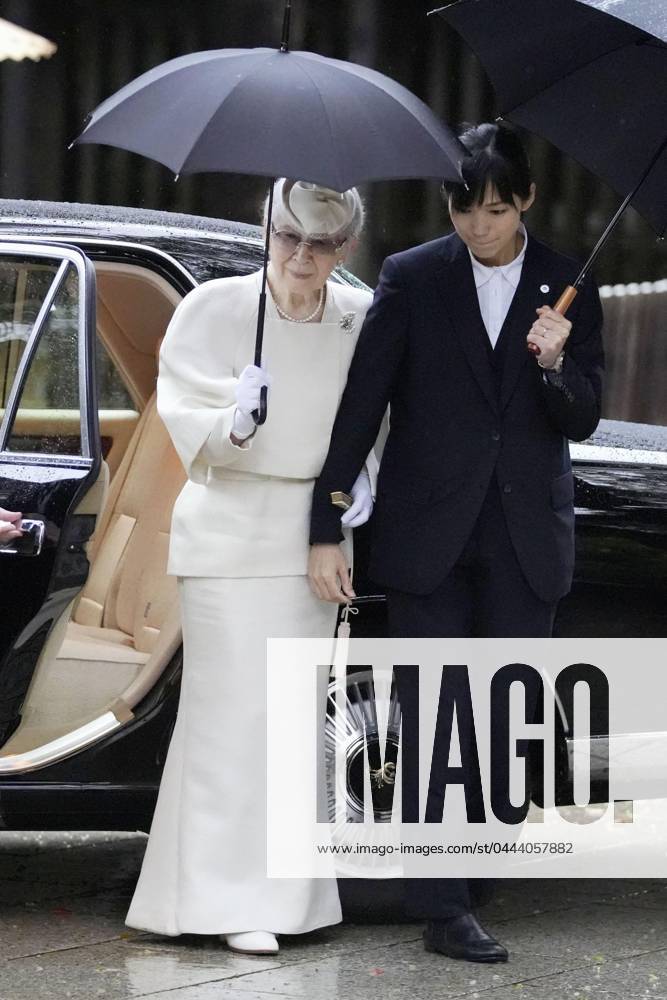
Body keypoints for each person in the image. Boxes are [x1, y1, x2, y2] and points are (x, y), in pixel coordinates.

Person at [308, 121, 605, 963]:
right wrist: (326, 521)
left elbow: (580, 417)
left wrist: (555, 364)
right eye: (465, 208)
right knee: (434, 715)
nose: (480, 226)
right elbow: (362, 405)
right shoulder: (410, 278)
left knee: (503, 718)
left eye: (497, 209)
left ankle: (466, 873)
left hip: (522, 537)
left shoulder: (567, 284)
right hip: (426, 532)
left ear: (528, 202)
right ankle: (441, 906)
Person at [125, 179, 375, 955]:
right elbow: (182, 405)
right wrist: (228, 422)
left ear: (347, 248)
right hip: (229, 528)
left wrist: (358, 480)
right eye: (287, 236)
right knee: (230, 719)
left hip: (313, 535)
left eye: (322, 243)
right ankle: (217, 901)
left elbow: (377, 417)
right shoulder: (216, 307)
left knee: (295, 720)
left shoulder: (358, 317)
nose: (301, 256)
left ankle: (288, 900)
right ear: (264, 229)